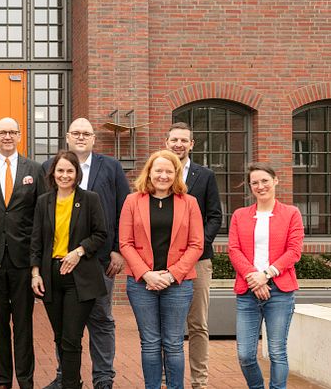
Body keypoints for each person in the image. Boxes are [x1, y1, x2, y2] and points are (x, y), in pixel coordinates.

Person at [41, 118, 129, 389]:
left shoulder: (111, 167)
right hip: (59, 266)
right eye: (76, 133)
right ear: (67, 137)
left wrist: (117, 250)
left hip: (100, 261)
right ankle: (64, 376)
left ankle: (103, 377)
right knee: (65, 327)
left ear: (93, 139)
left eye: (86, 133)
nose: (81, 137)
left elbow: (124, 210)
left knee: (101, 319)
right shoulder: (50, 168)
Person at [0, 117, 45, 389]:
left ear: (20, 135)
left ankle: (26, 380)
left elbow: (41, 217)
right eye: (2, 132)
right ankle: (2, 380)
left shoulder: (34, 170)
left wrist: (38, 262)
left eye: (12, 132)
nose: (7, 136)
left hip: (23, 261)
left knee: (24, 326)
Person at [119, 150, 203, 389]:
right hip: (141, 284)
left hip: (178, 284)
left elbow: (196, 244)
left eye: (169, 171)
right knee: (150, 342)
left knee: (174, 343)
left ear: (176, 174)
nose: (163, 175)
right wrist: (146, 273)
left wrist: (172, 274)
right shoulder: (132, 201)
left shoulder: (189, 203)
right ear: (149, 172)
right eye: (158, 170)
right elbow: (125, 242)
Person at [30, 150, 108, 389]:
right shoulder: (44, 201)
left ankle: (70, 385)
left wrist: (79, 251)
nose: (64, 175)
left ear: (77, 174)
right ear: (53, 174)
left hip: (79, 276)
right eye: (60, 170)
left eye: (69, 171)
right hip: (51, 276)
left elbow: (101, 234)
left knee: (71, 338)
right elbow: (36, 240)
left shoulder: (89, 199)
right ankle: (72, 381)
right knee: (59, 337)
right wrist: (35, 273)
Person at [228, 163, 303, 389]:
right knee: (245, 354)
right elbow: (234, 249)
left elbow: (294, 250)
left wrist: (266, 274)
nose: (260, 186)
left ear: (275, 181)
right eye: (255, 183)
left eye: (265, 181)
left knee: (277, 351)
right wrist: (254, 277)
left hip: (280, 292)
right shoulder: (240, 215)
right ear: (250, 187)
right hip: (248, 291)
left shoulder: (291, 213)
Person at [164, 122, 222, 389]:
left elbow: (215, 216)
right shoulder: (158, 172)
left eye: (183, 140)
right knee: (167, 325)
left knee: (197, 324)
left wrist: (196, 247)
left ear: (191, 144)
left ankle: (199, 381)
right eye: (174, 140)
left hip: (198, 262)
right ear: (167, 142)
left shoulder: (205, 175)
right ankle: (166, 378)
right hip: (164, 264)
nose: (178, 144)